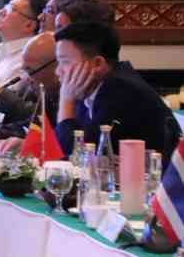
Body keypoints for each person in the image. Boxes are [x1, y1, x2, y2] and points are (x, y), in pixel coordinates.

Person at [55, 20, 180, 160]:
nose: (58, 71)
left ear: (98, 63)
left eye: (65, 62)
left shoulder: (123, 92)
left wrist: (66, 100)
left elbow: (80, 158)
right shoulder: (90, 90)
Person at [0, 32, 59, 145]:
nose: (26, 79)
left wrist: (31, 144)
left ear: (57, 66)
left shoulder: (74, 98)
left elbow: (64, 145)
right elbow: (29, 128)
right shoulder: (47, 92)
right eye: (24, 70)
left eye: (30, 70)